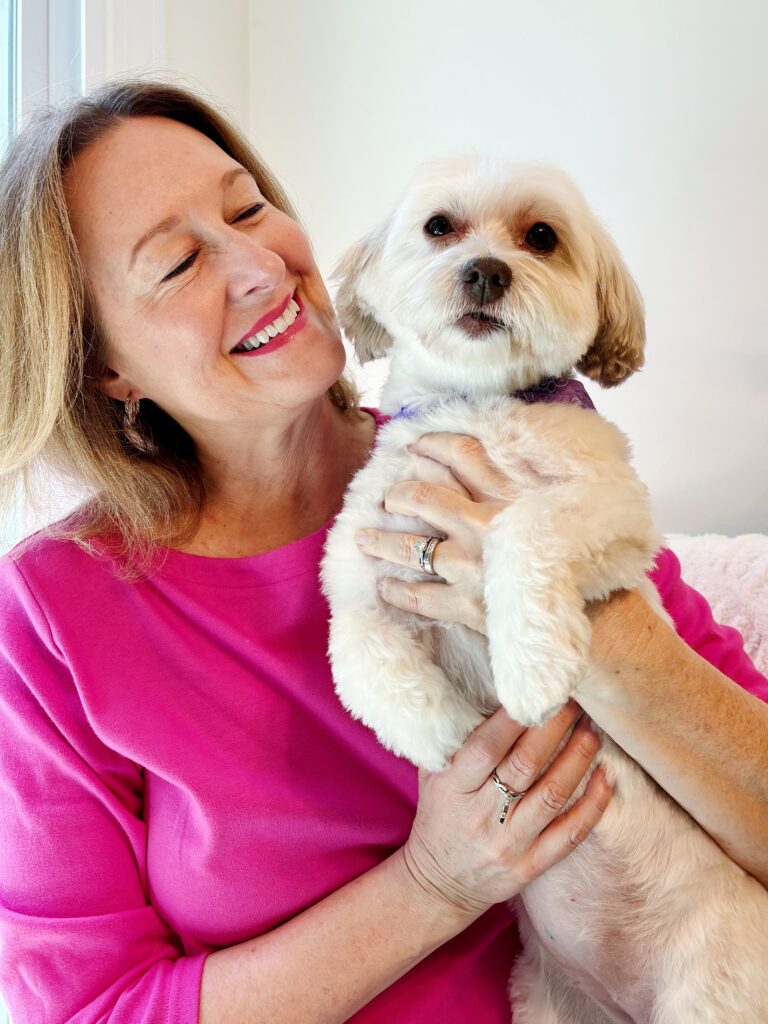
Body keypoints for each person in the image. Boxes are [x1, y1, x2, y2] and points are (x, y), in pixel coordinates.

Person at [0, 80, 765, 1024]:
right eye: (179, 262)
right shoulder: (53, 611)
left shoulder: (515, 471)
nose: (257, 265)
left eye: (248, 207)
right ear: (104, 363)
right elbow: (90, 1011)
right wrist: (435, 885)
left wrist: (597, 635)